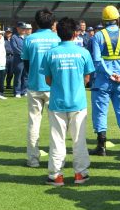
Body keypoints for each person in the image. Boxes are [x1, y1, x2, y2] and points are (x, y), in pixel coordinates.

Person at [40, 17, 95, 187]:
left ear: (58, 32)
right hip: (78, 103)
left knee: (57, 140)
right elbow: (87, 78)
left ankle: (56, 176)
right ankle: (80, 174)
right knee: (79, 140)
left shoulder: (50, 53)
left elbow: (48, 80)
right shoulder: (83, 52)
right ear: (75, 33)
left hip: (57, 102)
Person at [90, 6, 120, 156]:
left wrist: (109, 74)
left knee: (100, 112)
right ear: (118, 19)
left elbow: (96, 60)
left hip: (103, 80)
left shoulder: (98, 36)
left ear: (103, 20)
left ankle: (101, 147)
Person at [22, 9, 61, 168]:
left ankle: (33, 159)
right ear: (52, 23)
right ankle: (56, 159)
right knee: (56, 124)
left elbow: (26, 64)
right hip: (53, 87)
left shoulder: (29, 39)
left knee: (33, 122)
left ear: (36, 23)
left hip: (34, 86)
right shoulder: (57, 39)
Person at [10, 23, 29, 97]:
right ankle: (17, 92)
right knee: (18, 76)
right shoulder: (14, 37)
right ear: (18, 28)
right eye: (22, 28)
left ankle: (24, 91)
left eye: (25, 28)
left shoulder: (27, 37)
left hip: (27, 59)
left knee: (26, 75)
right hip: (18, 60)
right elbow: (14, 48)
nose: (24, 30)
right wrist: (23, 54)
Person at [4, 29, 14, 93]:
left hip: (12, 57)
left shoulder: (13, 40)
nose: (8, 33)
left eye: (9, 32)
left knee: (11, 72)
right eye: (7, 32)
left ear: (11, 33)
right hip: (5, 57)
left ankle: (8, 84)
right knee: (4, 72)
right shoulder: (2, 40)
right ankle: (0, 85)